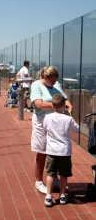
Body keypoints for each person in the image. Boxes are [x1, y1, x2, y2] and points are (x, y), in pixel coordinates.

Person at [30, 66, 72, 194]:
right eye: (52, 81)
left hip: (57, 122)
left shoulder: (56, 84)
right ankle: (39, 181)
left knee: (56, 151)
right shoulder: (36, 85)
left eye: (55, 81)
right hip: (42, 121)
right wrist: (58, 106)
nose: (54, 83)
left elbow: (64, 99)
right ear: (45, 77)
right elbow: (38, 104)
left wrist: (68, 106)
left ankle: (54, 177)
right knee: (42, 152)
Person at [43, 94, 79, 207]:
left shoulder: (47, 117)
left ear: (52, 106)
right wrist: (69, 114)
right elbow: (77, 129)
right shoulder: (68, 119)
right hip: (64, 151)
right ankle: (62, 195)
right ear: (64, 106)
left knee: (50, 174)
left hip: (52, 151)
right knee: (64, 175)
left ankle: (49, 196)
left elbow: (45, 128)